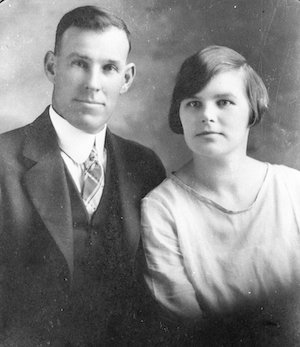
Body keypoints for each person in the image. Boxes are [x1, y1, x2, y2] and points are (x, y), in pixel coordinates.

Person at [0, 6, 165, 346]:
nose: (93, 84)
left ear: (127, 78)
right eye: (79, 63)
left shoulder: (144, 165)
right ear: (51, 66)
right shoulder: (3, 160)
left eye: (109, 68)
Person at [141, 45, 300, 344]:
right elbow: (186, 326)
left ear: (252, 110)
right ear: (180, 113)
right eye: (193, 104)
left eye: (224, 102)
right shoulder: (162, 209)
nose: (206, 116)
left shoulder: (293, 189)